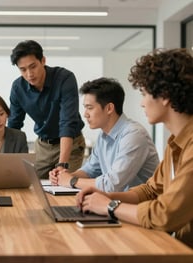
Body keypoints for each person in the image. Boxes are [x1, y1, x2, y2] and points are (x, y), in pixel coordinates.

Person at [76, 48, 193, 248]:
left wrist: (110, 206)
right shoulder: (175, 143)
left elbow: (165, 215)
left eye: (144, 93)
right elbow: (150, 190)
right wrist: (107, 196)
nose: (141, 103)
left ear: (164, 96)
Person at [49, 77, 159, 192]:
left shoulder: (134, 135)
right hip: (118, 203)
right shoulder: (103, 135)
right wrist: (64, 176)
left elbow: (112, 185)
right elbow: (90, 170)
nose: (85, 114)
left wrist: (72, 181)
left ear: (109, 108)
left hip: (141, 207)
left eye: (89, 108)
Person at [8, 40, 86, 179]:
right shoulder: (18, 88)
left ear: (43, 60)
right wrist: (8, 163)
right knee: (31, 185)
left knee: (64, 187)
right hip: (43, 146)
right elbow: (14, 126)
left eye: (33, 66)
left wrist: (62, 164)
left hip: (71, 144)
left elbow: (67, 123)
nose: (29, 74)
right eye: (23, 69)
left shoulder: (64, 78)